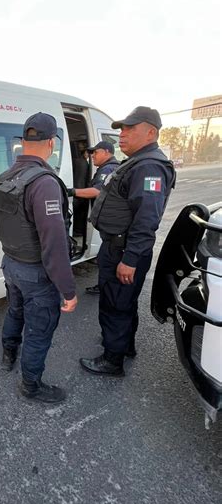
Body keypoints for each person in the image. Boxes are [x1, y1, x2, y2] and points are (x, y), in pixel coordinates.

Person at [80, 106, 176, 376]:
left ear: (151, 132)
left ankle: (112, 360)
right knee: (123, 302)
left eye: (129, 129)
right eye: (121, 129)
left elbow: (146, 219)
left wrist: (129, 260)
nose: (121, 134)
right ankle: (124, 346)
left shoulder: (149, 167)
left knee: (115, 304)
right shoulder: (137, 162)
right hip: (120, 247)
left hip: (124, 251)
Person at [0, 112, 78, 403]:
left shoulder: (7, 175)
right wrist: (67, 289)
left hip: (10, 264)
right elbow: (53, 244)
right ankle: (31, 385)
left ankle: (8, 356)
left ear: (24, 140)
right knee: (40, 329)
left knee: (15, 312)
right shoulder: (44, 183)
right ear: (51, 142)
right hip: (35, 272)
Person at [67, 141, 119, 295]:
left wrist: (72, 192)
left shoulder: (109, 168)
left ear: (106, 152)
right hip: (108, 222)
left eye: (95, 152)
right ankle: (105, 286)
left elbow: (98, 191)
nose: (92, 156)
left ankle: (108, 288)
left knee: (107, 258)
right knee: (106, 258)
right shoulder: (105, 168)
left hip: (111, 224)